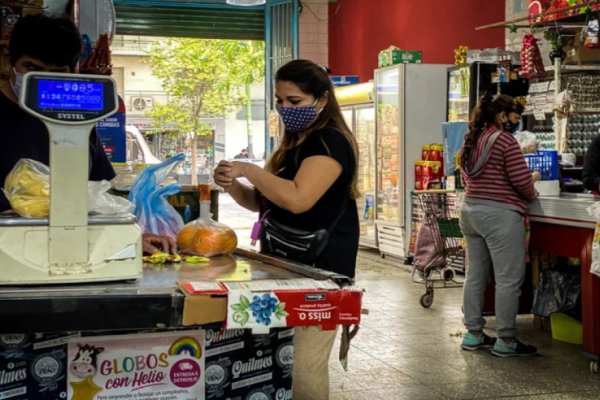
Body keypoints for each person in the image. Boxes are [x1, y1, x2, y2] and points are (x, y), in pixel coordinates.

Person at [214, 59, 359, 400]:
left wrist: (248, 168)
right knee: (281, 366)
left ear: (321, 100)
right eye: (279, 101)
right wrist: (232, 184)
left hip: (320, 273)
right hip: (284, 265)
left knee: (304, 373)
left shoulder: (330, 142)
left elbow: (297, 200)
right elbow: (263, 202)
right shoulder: (293, 141)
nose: (285, 108)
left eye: (294, 102)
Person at [0, 14, 172, 256]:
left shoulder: (79, 121)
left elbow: (99, 195)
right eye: (32, 68)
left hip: (73, 251)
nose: (44, 81)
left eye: (57, 71)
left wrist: (129, 237)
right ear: (9, 63)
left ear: (73, 71)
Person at [458, 93, 539, 357]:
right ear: (502, 116)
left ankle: (473, 333)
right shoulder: (504, 140)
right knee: (507, 280)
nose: (514, 124)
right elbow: (521, 182)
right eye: (513, 119)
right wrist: (534, 181)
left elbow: (465, 176)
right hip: (499, 216)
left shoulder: (472, 139)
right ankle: (506, 339)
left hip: (470, 212)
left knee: (475, 276)